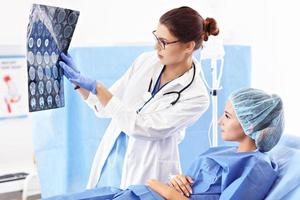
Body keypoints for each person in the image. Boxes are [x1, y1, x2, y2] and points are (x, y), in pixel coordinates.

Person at [59, 6, 219, 189]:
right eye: (156, 38)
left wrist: (98, 88)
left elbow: (144, 127)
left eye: (163, 42)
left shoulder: (196, 96)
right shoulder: (146, 61)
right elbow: (105, 106)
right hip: (111, 160)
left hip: (147, 170)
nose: (156, 47)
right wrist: (77, 82)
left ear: (189, 46)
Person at [45, 88, 284, 200]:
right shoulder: (225, 151)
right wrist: (176, 180)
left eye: (228, 117)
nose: (220, 121)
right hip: (137, 194)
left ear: (250, 125)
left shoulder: (257, 168)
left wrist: (158, 186)